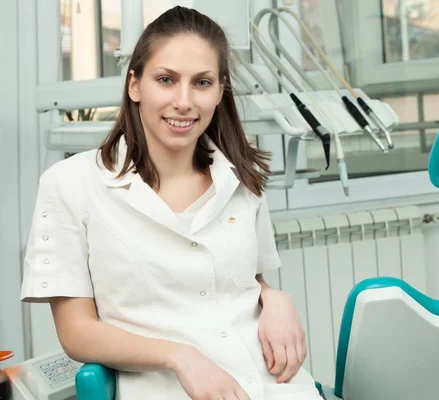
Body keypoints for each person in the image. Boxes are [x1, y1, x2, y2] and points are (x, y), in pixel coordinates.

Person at [20, 6, 324, 400]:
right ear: (135, 85)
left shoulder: (242, 179)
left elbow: (237, 279)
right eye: (166, 79)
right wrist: (181, 357)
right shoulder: (72, 184)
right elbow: (77, 332)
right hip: (168, 388)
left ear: (220, 90)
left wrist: (275, 299)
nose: (184, 101)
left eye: (202, 82)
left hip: (275, 386)